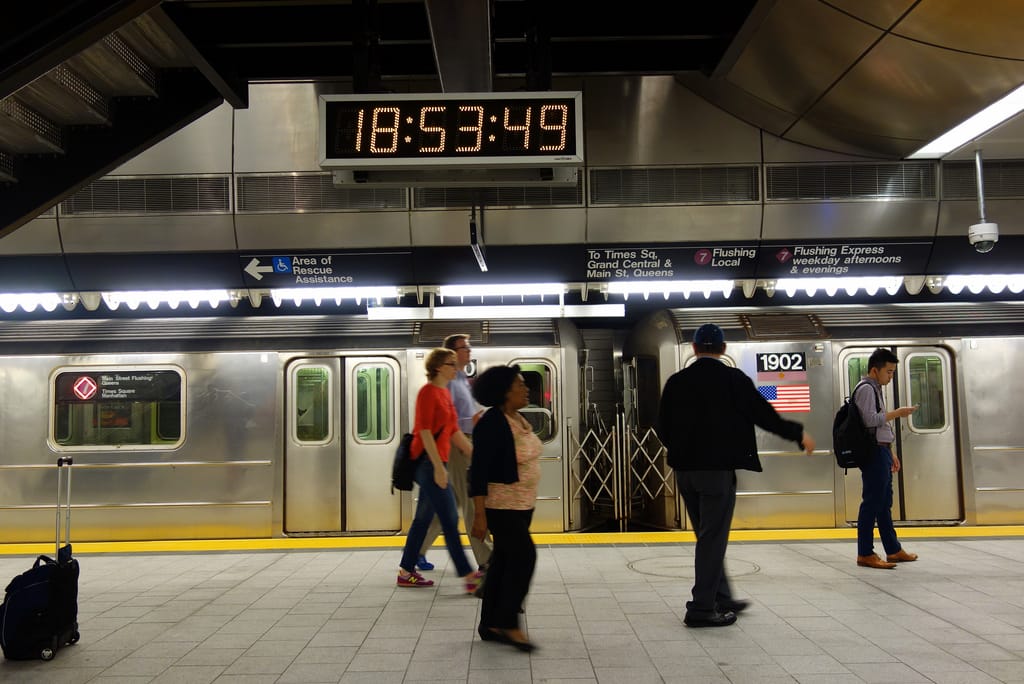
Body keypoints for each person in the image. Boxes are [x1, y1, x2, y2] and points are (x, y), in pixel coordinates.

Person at [655, 323, 815, 628]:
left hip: (685, 473)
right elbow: (763, 415)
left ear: (694, 348)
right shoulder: (733, 379)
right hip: (716, 473)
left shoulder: (677, 381)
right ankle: (702, 608)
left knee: (708, 536)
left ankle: (722, 596)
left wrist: (682, 450)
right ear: (723, 349)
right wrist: (797, 434)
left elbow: (662, 426)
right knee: (712, 539)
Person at [396, 348, 482, 593]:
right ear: (437, 367)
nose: (456, 367)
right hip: (427, 463)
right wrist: (438, 468)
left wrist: (475, 455)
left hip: (437, 463)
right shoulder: (428, 393)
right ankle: (469, 576)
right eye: (451, 363)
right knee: (450, 519)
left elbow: (453, 430)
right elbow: (424, 430)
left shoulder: (444, 393)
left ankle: (406, 571)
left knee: (422, 519)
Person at [469, 365, 540, 652]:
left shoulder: (517, 418)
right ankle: (509, 623)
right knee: (524, 557)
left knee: (502, 562)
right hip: (501, 506)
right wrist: (480, 515)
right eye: (519, 385)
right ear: (504, 392)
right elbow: (478, 473)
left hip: (522, 505)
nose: (526, 389)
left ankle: (490, 625)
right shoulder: (491, 423)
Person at [416, 334, 493, 573]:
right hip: (455, 447)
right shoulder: (447, 383)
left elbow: (463, 414)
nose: (469, 351)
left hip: (464, 443)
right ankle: (486, 558)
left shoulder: (460, 379)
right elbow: (443, 423)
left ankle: (416, 549)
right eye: (464, 347)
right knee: (472, 501)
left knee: (452, 504)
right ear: (451, 353)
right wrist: (465, 448)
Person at [855, 348, 919, 569]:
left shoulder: (876, 389)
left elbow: (879, 426)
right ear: (875, 370)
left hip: (881, 450)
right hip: (873, 453)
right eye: (889, 372)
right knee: (872, 503)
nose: (891, 377)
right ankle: (865, 553)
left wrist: (890, 452)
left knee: (884, 503)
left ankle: (893, 549)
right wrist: (898, 413)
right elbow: (870, 420)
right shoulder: (866, 389)